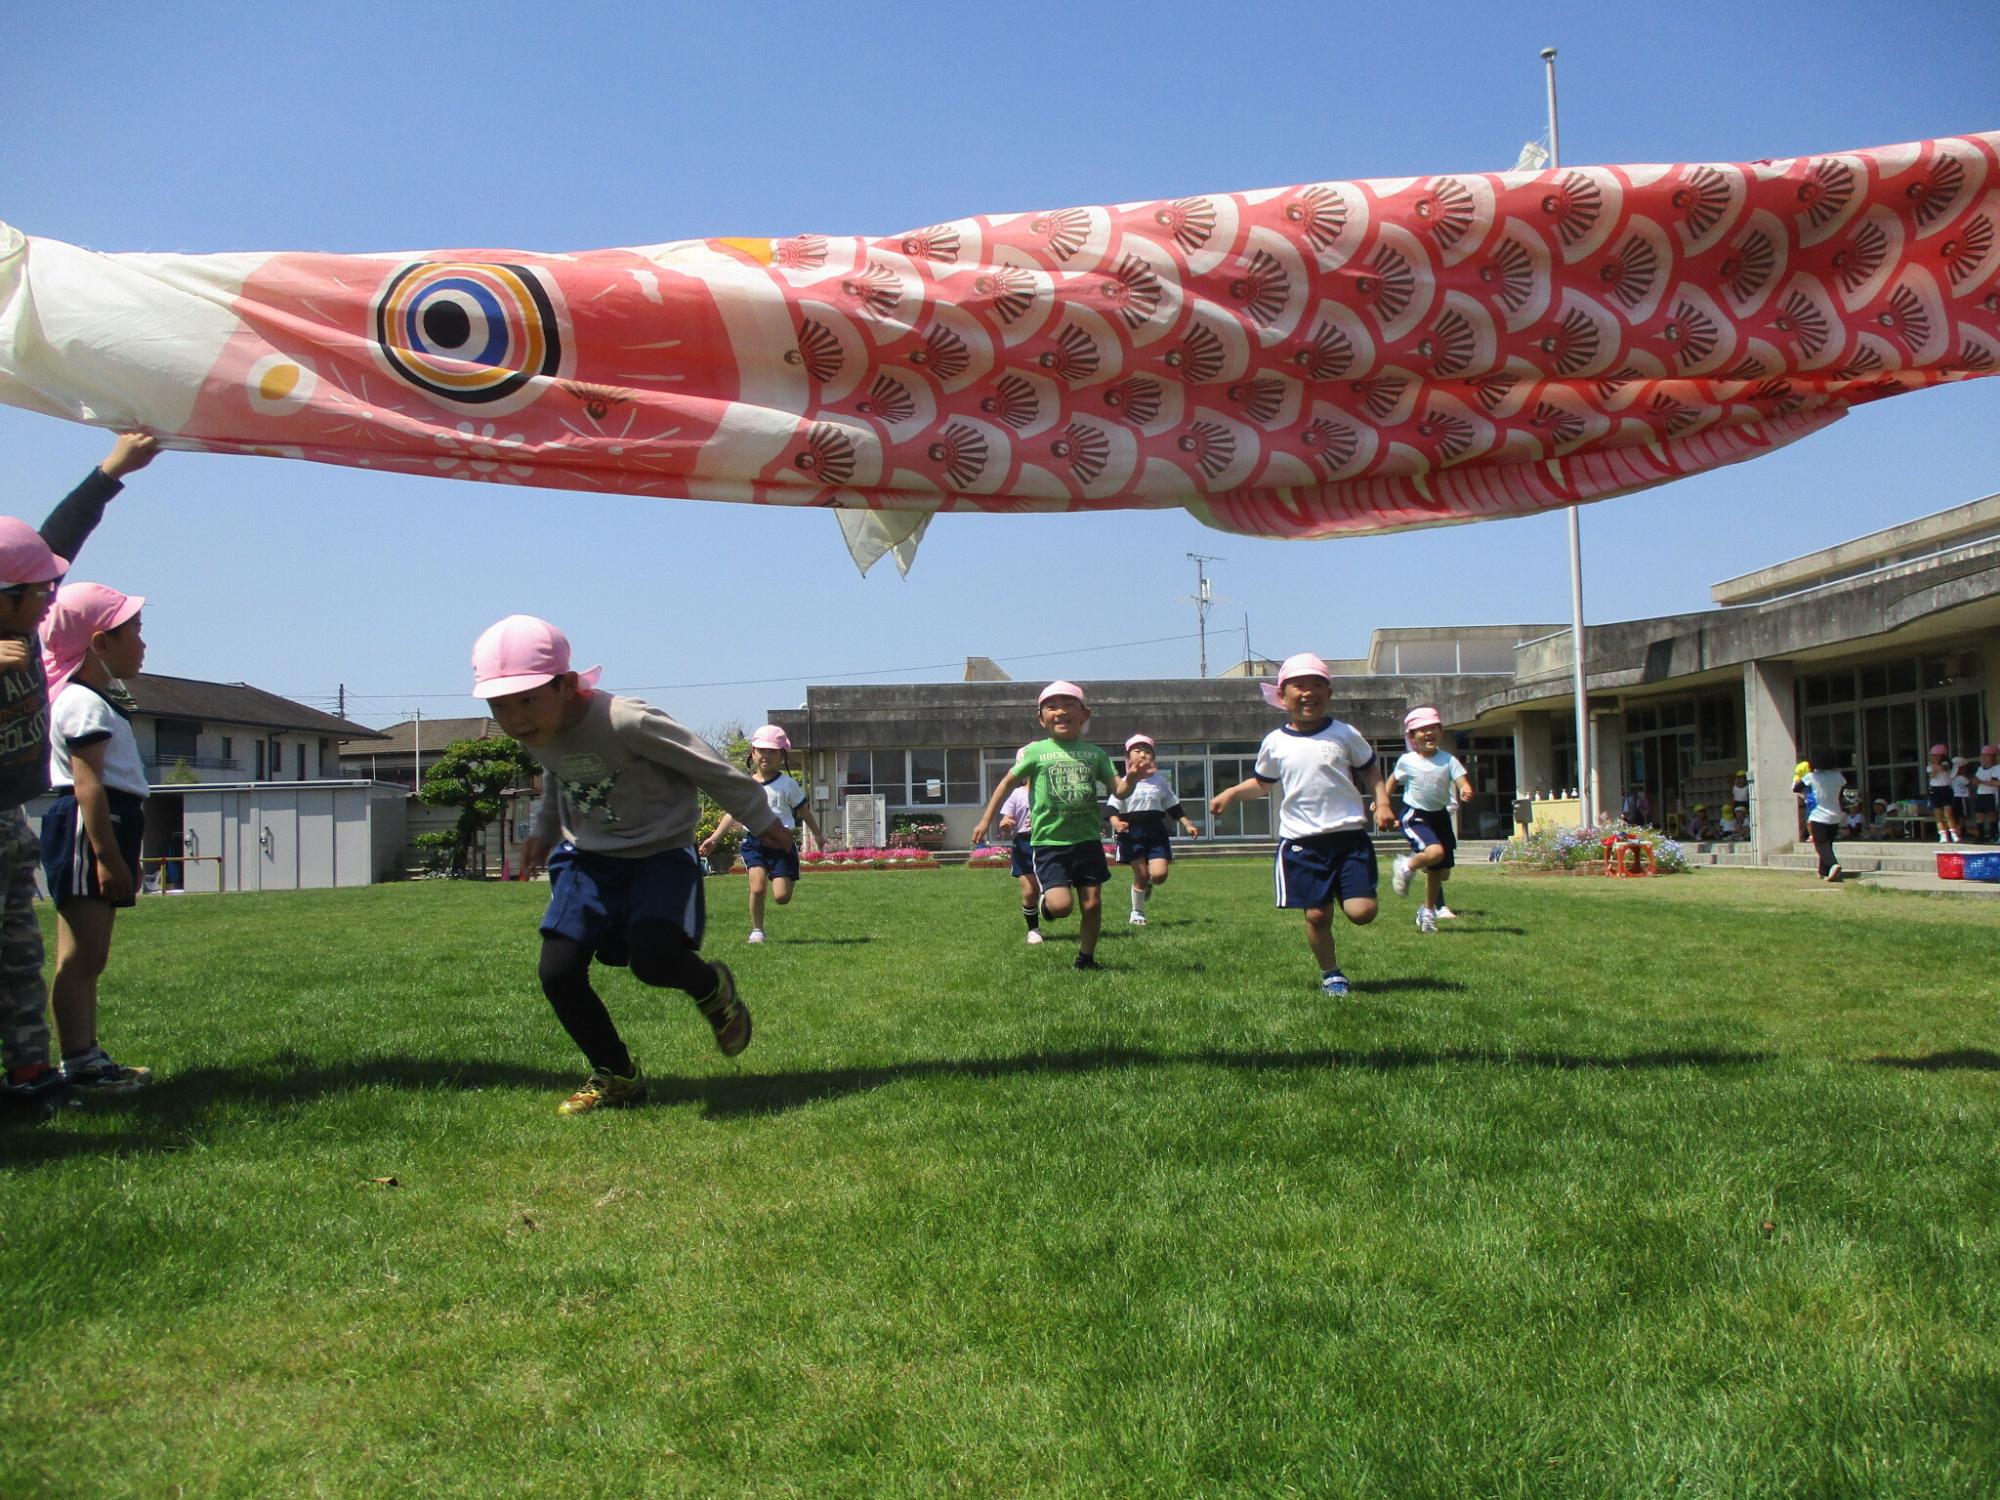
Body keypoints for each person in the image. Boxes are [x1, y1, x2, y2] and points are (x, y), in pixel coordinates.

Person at [472, 615, 788, 1115]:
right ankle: (616, 1073)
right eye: (500, 705)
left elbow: (704, 763)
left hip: (658, 856)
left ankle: (713, 989)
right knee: (557, 970)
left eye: (527, 699)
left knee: (654, 960)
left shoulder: (626, 720)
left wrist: (759, 815)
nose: (515, 719)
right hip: (586, 861)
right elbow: (558, 781)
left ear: (568, 685)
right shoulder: (539, 730)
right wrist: (543, 832)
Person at [0, 431, 157, 1116]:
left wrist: (111, 470)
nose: (47, 599)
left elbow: (56, 536)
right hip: (50, 818)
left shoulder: (33, 629)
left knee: (18, 956)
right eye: (35, 592)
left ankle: (34, 1073)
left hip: (10, 817)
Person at [1210, 653, 1391, 997]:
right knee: (1317, 916)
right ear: (1282, 695)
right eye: (1299, 686)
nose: (1308, 692)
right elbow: (1262, 783)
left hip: (1349, 838)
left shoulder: (1345, 734)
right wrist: (1232, 793)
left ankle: (1347, 888)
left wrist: (1381, 801)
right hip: (1302, 843)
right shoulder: (1275, 742)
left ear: (1329, 692)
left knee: (1362, 912)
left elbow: (1369, 768)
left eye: (1316, 685)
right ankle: (1331, 974)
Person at [39, 583, 153, 1093]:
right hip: (90, 828)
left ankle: (87, 1055)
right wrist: (107, 857)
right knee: (81, 956)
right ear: (98, 643)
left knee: (92, 955)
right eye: (135, 632)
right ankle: (78, 1062)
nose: (143, 644)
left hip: (106, 825)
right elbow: (89, 787)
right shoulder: (82, 703)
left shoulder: (96, 699)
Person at [971, 682, 1135, 971]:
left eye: (1069, 705)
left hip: (1087, 842)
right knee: (1061, 907)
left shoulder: (1095, 754)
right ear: (1041, 718)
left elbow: (1119, 791)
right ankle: (1047, 906)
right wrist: (986, 819)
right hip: (1049, 844)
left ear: (1085, 714)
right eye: (1052, 706)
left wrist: (1131, 777)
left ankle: (1086, 958)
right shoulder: (1036, 753)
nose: (1061, 711)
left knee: (1092, 903)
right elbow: (1006, 784)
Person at [700, 725, 824, 944]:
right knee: (757, 887)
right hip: (754, 842)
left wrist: (818, 836)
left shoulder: (788, 784)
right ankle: (757, 930)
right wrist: (715, 837)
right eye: (761, 750)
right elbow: (733, 813)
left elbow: (804, 811)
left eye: (772, 751)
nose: (766, 755)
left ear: (782, 755)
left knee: (781, 897)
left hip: (781, 844)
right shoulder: (745, 785)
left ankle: (787, 876)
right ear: (753, 753)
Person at [1388, 707, 1474, 933]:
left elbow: (1462, 781)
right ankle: (1405, 865)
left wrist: (1465, 790)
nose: (1428, 733)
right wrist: (1382, 803)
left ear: (1441, 731)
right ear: (1412, 737)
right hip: (1415, 814)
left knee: (1440, 871)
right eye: (1421, 730)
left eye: (1432, 728)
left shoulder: (1448, 760)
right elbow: (1392, 781)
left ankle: (1427, 912)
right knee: (1435, 854)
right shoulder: (1408, 760)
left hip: (1439, 816)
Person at [1107, 734, 1199, 927]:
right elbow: (1112, 809)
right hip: (1131, 834)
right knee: (1141, 874)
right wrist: (1116, 823)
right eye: (1137, 751)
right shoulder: (1123, 782)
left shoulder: (1160, 781)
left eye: (1147, 751)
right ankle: (1137, 912)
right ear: (1128, 757)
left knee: (1159, 875)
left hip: (1156, 833)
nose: (1143, 754)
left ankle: (1148, 884)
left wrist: (1187, 823)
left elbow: (1173, 806)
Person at [994, 754, 1042, 945]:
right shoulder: (1017, 794)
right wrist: (1006, 823)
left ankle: (1048, 902)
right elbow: (1006, 818)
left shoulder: (1050, 792)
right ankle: (1034, 929)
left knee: (1051, 888)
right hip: (1024, 844)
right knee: (1030, 891)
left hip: (1048, 843)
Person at [1794, 748, 1846, 882]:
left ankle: (1833, 864)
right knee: (1828, 843)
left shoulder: (1812, 776)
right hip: (1835, 814)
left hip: (1818, 814)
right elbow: (1841, 792)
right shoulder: (1838, 777)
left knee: (1820, 843)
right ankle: (1823, 871)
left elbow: (1796, 788)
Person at [1925, 744, 1962, 844]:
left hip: (1946, 789)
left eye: (1937, 755)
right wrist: (1935, 767)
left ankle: (1954, 834)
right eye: (1932, 755)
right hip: (1935, 791)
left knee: (1948, 813)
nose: (1934, 757)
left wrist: (1936, 767)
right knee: (1938, 815)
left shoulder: (1946, 763)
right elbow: (1932, 775)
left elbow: (1943, 768)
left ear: (1942, 756)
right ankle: (1942, 835)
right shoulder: (1929, 766)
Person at [1974, 745, 2000, 843]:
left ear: (1993, 757)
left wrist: (1983, 781)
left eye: (1987, 755)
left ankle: (1993, 834)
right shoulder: (1980, 768)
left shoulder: (1996, 768)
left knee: (1991, 814)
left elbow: (1993, 781)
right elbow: (1975, 780)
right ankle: (1980, 835)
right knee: (1979, 815)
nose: (1984, 758)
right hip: (1981, 793)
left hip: (1991, 793)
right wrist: (1984, 782)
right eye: (1982, 755)